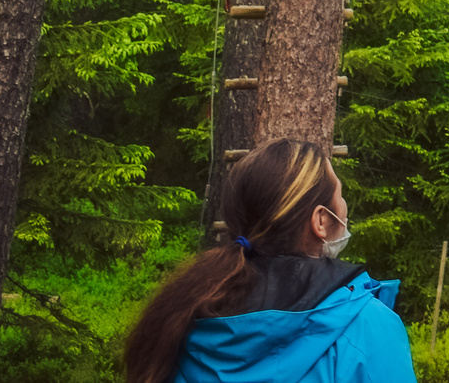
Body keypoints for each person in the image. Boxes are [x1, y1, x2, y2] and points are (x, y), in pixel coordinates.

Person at [121, 138, 414, 383]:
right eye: (340, 194)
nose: (345, 206)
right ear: (321, 220)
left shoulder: (186, 319)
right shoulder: (366, 326)